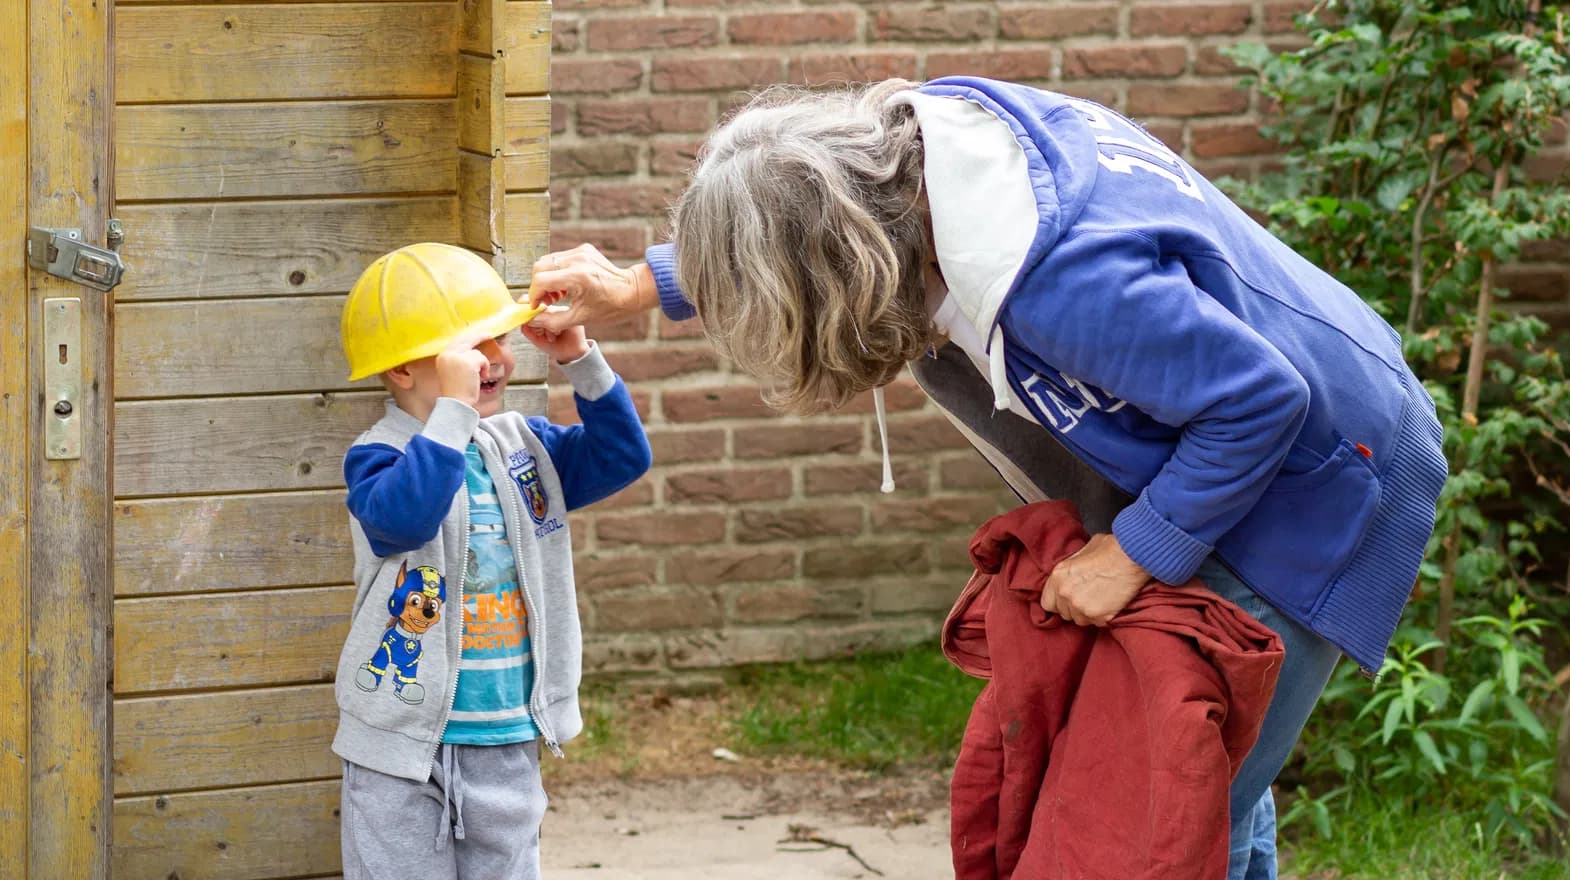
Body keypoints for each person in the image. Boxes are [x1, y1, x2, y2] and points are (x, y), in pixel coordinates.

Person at [526, 77, 1448, 879]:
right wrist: (643, 283)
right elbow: (805, 210)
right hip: (1251, 443)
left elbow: (1257, 405)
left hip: (1320, 478)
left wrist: (1135, 551)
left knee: (1148, 825)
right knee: (1209, 802)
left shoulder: (1058, 278)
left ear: (842, 275)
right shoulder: (918, 150)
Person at [331, 242, 651, 880]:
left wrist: (579, 360)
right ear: (403, 370)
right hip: (400, 745)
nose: (499, 360)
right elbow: (405, 518)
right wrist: (451, 415)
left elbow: (622, 457)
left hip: (504, 732)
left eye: (501, 341)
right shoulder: (379, 457)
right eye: (474, 347)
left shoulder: (524, 447)